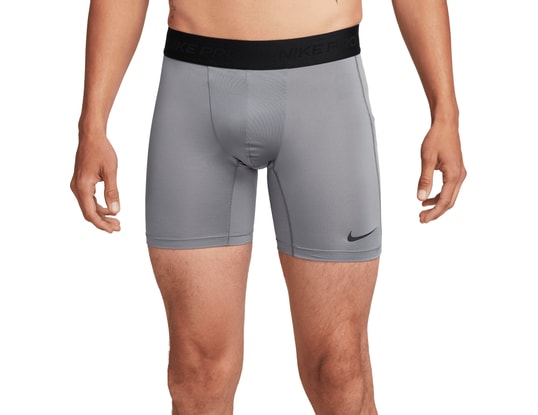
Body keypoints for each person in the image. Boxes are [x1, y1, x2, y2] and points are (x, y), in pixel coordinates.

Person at [70, 0, 466, 413]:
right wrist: (92, 126)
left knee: (338, 373)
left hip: (324, 92)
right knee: (196, 374)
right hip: (194, 94)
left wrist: (445, 114)